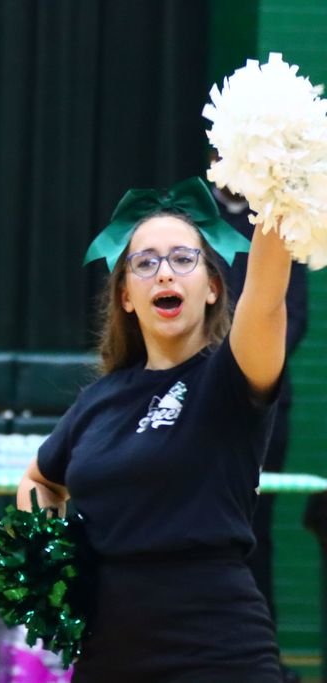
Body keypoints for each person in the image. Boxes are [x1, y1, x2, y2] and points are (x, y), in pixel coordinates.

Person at [18, 177, 291, 682]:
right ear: (125, 295)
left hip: (218, 654)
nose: (164, 273)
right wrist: (50, 569)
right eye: (145, 262)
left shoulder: (231, 377)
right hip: (108, 656)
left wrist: (280, 182)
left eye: (183, 259)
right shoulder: (98, 401)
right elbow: (40, 480)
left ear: (212, 287)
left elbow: (269, 296)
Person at [212, 183, 308, 683]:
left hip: (264, 401)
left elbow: (293, 316)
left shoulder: (279, 221)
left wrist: (242, 368)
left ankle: (260, 659)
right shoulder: (190, 218)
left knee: (255, 532)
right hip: (200, 399)